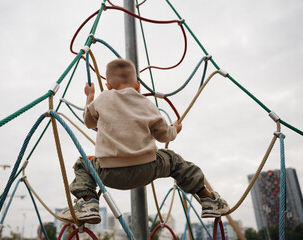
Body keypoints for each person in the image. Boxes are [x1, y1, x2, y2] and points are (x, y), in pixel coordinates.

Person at [59, 59, 229, 224]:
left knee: (83, 163)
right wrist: (174, 129)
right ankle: (208, 199)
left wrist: (90, 96)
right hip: (146, 170)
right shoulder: (147, 104)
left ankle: (88, 201)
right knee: (173, 159)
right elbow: (164, 136)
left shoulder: (103, 98)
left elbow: (88, 121)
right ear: (138, 86)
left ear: (108, 86)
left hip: (108, 173)